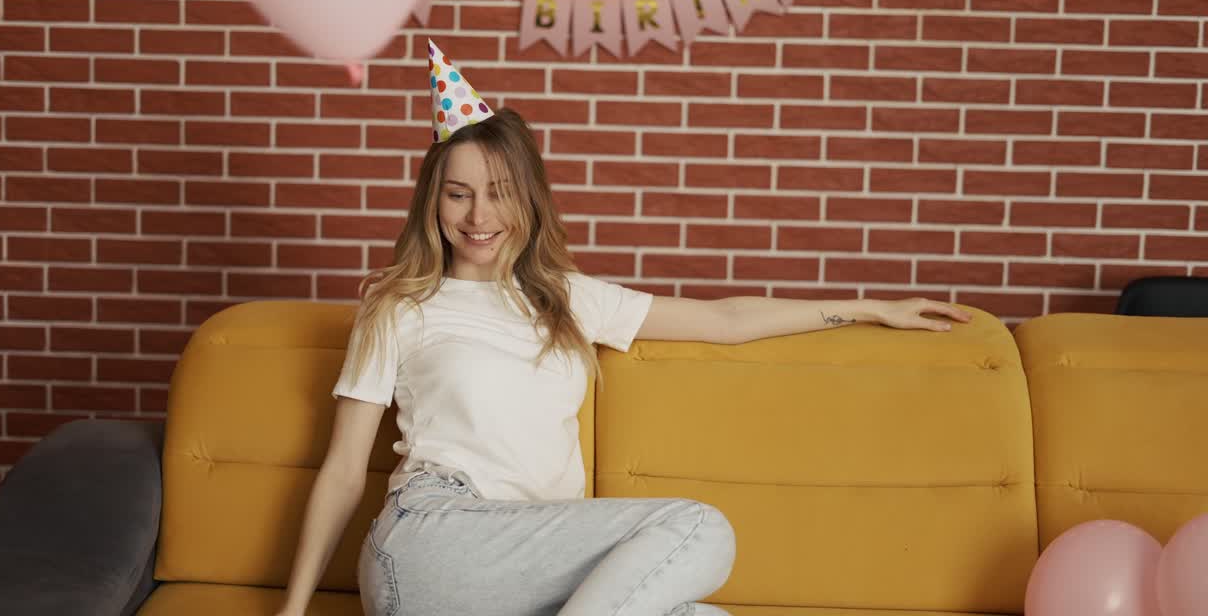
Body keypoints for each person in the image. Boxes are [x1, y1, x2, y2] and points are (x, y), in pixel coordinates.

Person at [273, 40, 972, 616]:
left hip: (528, 569)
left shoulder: (567, 299)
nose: (478, 215)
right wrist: (293, 610)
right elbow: (341, 471)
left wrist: (868, 308)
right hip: (432, 547)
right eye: (459, 193)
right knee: (701, 526)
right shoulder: (398, 305)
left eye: (499, 192)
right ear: (434, 201)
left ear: (529, 201)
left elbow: (723, 320)